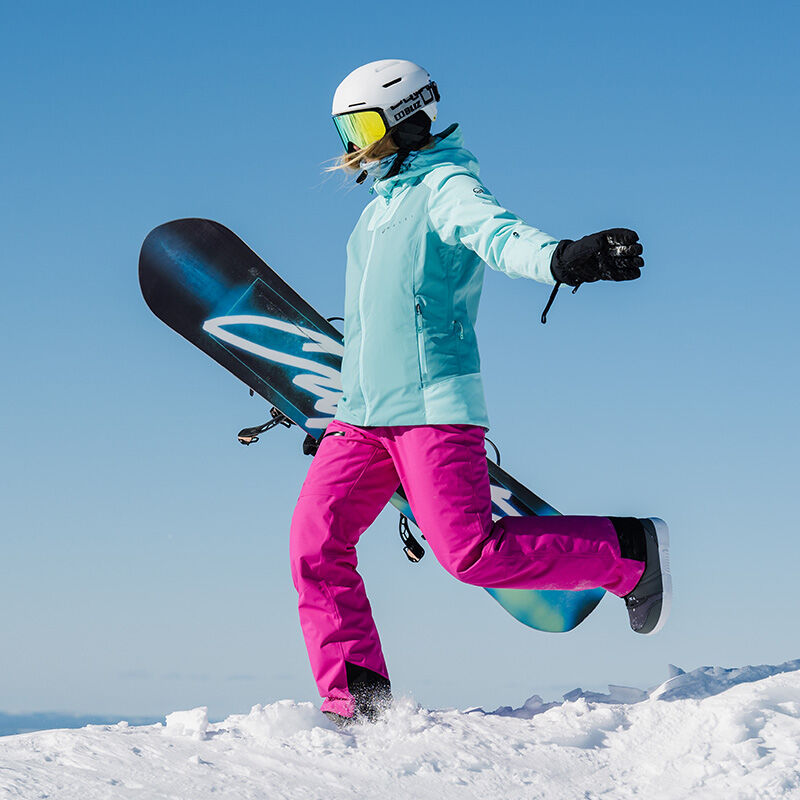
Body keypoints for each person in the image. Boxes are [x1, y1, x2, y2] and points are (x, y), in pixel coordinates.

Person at [290, 59, 671, 726]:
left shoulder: (446, 185)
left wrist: (559, 258)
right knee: (315, 546)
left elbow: (499, 236)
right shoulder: (380, 206)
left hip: (432, 407)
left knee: (470, 554)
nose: (350, 142)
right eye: (342, 127)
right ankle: (359, 706)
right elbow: (376, 323)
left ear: (400, 117)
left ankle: (629, 551)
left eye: (359, 124)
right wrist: (345, 405)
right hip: (362, 418)